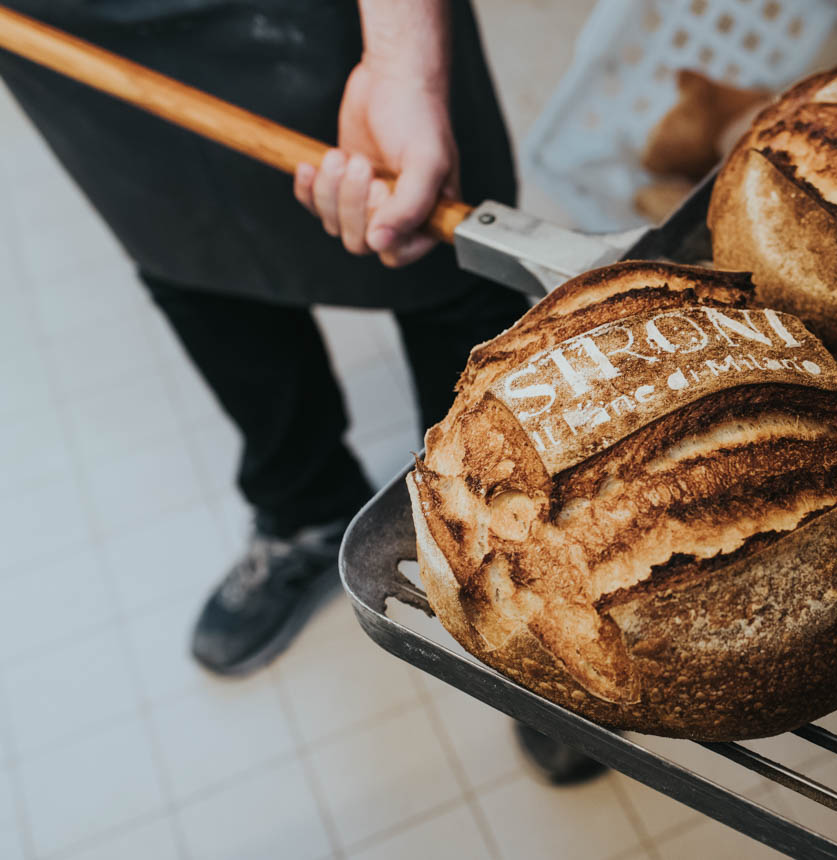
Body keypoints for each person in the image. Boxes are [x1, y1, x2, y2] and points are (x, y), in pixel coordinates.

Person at [0, 0, 601, 783]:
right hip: (70, 32)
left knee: (434, 240)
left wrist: (401, 64)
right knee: (190, 257)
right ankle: (306, 507)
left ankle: (514, 561)